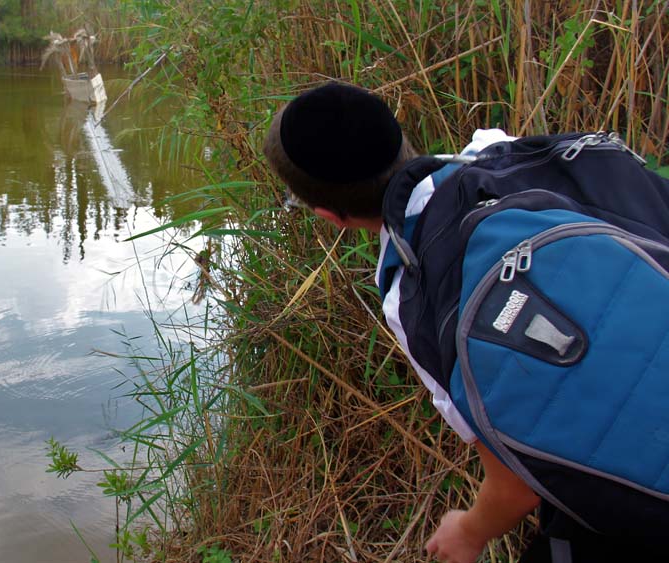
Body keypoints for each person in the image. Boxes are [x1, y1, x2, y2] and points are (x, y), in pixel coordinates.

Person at [261, 82, 669, 563]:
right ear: (401, 139)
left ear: (332, 216)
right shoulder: (503, 152)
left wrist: (470, 531)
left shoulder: (408, 293)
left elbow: (517, 485)